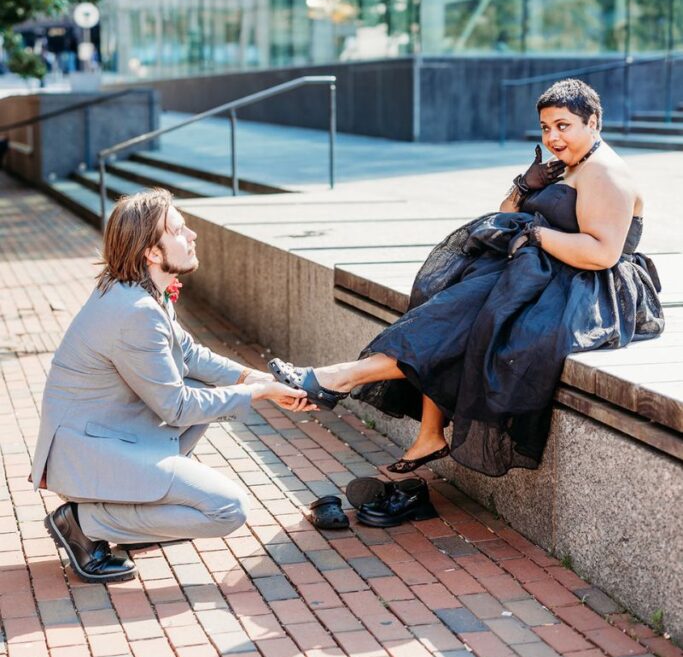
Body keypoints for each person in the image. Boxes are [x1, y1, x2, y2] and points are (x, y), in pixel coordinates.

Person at [270, 79, 664, 478]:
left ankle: (337, 378)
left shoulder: (605, 173)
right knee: (442, 295)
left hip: (587, 287)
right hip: (543, 267)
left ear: (592, 122)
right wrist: (526, 186)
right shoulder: (570, 163)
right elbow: (508, 209)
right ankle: (424, 430)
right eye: (546, 128)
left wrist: (536, 235)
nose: (553, 137)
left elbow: (601, 254)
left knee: (462, 317)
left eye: (563, 126)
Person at [33, 189, 312, 583]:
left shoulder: (139, 289)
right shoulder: (136, 312)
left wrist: (258, 378)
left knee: (199, 380)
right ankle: (85, 522)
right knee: (227, 509)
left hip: (105, 434)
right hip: (88, 451)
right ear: (151, 252)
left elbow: (192, 355)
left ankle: (129, 511)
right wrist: (258, 394)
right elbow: (177, 408)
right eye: (179, 230)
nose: (192, 235)